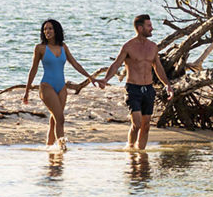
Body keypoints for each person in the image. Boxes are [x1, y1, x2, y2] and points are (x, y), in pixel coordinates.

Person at [23, 19, 102, 149]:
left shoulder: (63, 47)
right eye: (45, 29)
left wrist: (90, 77)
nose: (47, 31)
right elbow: (33, 69)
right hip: (46, 86)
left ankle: (49, 148)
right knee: (60, 119)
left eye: (50, 28)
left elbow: (75, 64)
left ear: (56, 30)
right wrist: (27, 91)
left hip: (61, 87)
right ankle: (62, 149)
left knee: (55, 120)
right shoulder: (40, 48)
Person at [99, 14, 172, 150]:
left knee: (146, 126)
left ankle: (141, 155)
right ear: (140, 28)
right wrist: (105, 79)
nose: (152, 28)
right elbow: (116, 64)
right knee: (137, 124)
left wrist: (167, 84)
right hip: (133, 89)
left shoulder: (153, 47)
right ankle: (130, 148)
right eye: (149, 26)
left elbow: (158, 68)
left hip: (148, 89)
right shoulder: (128, 46)